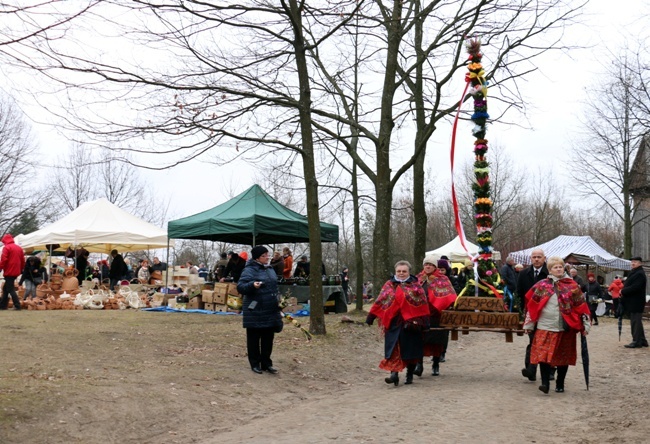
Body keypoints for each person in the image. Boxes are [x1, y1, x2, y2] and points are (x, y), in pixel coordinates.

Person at [523, 256, 591, 394]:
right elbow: (532, 305)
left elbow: (581, 306)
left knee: (563, 356)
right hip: (545, 325)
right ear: (550, 270)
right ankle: (545, 383)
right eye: (555, 267)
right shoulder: (542, 285)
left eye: (560, 266)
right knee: (543, 355)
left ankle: (560, 383)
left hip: (565, 326)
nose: (558, 269)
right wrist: (529, 324)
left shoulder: (572, 286)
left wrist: (586, 324)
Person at [365, 260, 430, 386]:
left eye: (404, 271)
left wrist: (425, 323)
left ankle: (409, 374)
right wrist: (371, 317)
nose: (401, 273)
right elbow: (381, 300)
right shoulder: (389, 285)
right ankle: (393, 374)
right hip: (393, 322)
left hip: (412, 323)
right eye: (399, 271)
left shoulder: (415, 286)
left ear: (408, 272)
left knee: (410, 349)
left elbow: (422, 304)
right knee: (393, 347)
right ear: (395, 272)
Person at [238, 245, 283, 374]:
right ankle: (255, 363)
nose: (267, 257)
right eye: (264, 256)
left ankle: (266, 363)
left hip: (270, 308)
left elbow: (275, 286)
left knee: (268, 338)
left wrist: (279, 300)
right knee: (254, 338)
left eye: (267, 255)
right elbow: (241, 287)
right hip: (255, 309)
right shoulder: (249, 270)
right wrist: (252, 285)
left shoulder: (270, 269)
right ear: (257, 258)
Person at [417, 256, 457, 377]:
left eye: (430, 264)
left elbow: (450, 294)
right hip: (421, 315)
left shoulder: (442, 279)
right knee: (419, 340)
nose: (428, 266)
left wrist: (440, 304)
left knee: (437, 340)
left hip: (436, 315)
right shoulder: (418, 278)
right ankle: (419, 364)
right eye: (426, 264)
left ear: (435, 267)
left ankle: (435, 364)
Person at [517, 248, 549, 382]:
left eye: (539, 257)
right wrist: (520, 313)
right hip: (530, 313)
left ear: (544, 258)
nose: (536, 259)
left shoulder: (549, 274)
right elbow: (518, 294)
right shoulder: (524, 274)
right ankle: (531, 369)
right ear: (531, 259)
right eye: (534, 257)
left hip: (547, 314)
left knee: (546, 342)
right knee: (533, 340)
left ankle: (549, 370)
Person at [620, 256, 648, 348]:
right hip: (633, 300)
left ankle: (636, 341)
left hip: (636, 301)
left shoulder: (639, 273)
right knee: (637, 321)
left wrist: (623, 291)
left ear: (640, 263)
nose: (632, 263)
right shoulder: (635, 272)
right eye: (632, 262)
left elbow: (635, 287)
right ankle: (643, 340)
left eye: (635, 262)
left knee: (635, 321)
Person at [0, 234, 26, 310]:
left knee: (10, 289)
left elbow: (4, 260)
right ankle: (2, 306)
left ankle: (17, 305)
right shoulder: (19, 248)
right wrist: (21, 269)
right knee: (5, 289)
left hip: (9, 270)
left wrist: (0, 267)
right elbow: (22, 260)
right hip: (16, 270)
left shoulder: (6, 248)